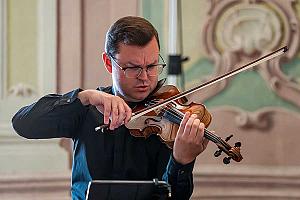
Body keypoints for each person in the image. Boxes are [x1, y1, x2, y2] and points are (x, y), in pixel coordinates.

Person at [12, 16, 208, 200]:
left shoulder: (167, 119)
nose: (145, 77)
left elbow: (175, 196)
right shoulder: (87, 108)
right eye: (133, 68)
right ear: (108, 62)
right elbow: (24, 123)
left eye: (151, 66)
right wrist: (84, 96)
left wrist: (182, 161)